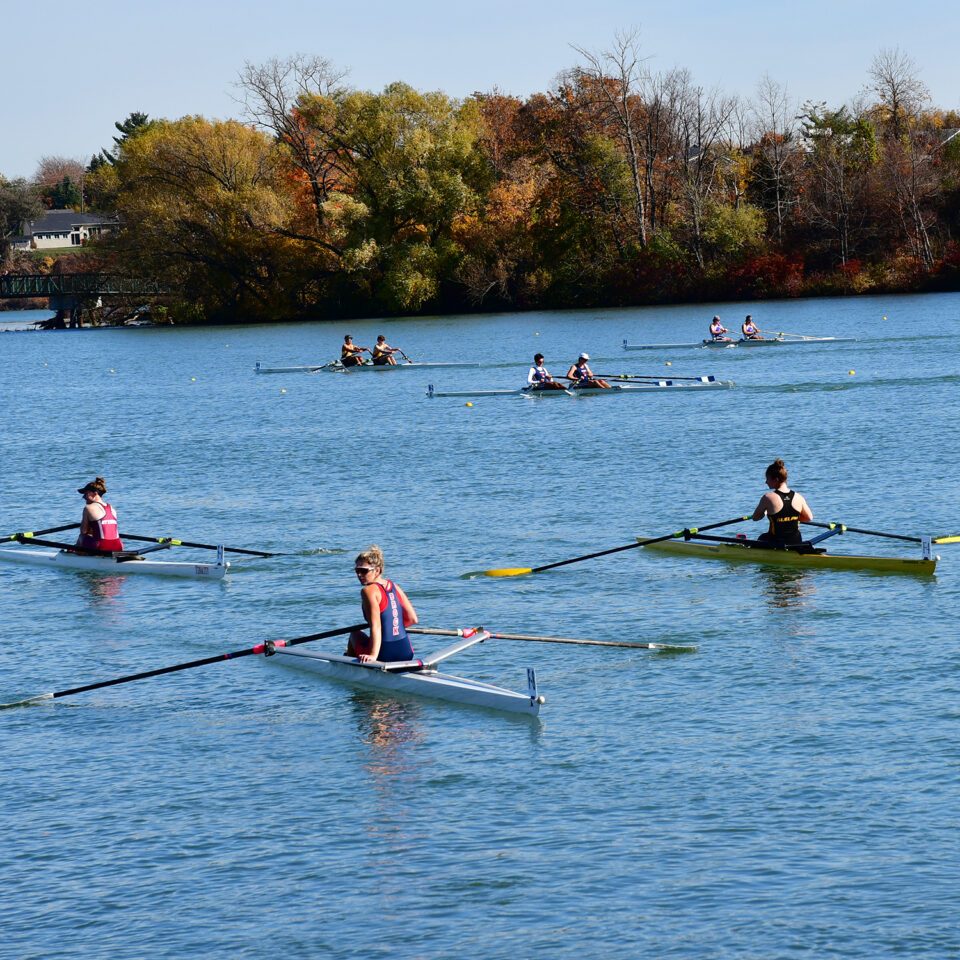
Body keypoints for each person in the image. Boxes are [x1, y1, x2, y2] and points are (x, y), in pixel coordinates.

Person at [345, 545, 418, 663]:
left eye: (363, 571)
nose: (359, 575)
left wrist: (373, 656)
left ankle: (348, 669)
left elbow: (376, 626)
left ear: (377, 570)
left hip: (384, 654)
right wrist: (393, 627)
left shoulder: (368, 591)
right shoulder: (394, 586)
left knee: (354, 634)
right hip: (406, 652)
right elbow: (412, 619)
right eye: (357, 570)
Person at [751, 459, 813, 545]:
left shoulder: (768, 497)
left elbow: (755, 518)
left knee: (762, 537)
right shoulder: (799, 497)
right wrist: (791, 519)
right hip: (796, 542)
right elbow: (809, 518)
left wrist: (764, 513)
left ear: (776, 479)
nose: (766, 482)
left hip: (776, 543)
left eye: (767, 479)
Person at [75, 478, 124, 552]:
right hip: (118, 546)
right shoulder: (112, 508)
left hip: (101, 546)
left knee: (81, 537)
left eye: (86, 493)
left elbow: (83, 531)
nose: (83, 497)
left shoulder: (88, 508)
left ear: (95, 493)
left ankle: (75, 556)